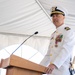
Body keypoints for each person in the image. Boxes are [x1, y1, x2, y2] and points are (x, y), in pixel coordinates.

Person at [40, 6, 75, 75]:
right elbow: (48, 54)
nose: (54, 18)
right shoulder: (53, 34)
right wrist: (39, 67)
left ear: (63, 17)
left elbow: (66, 50)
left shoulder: (68, 31)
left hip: (62, 71)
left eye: (57, 15)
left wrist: (54, 64)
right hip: (51, 71)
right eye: (53, 16)